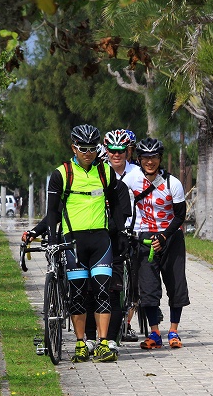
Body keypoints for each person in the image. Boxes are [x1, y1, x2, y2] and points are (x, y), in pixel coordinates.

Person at [45, 124, 131, 363]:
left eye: (93, 148)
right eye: (83, 148)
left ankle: (103, 343)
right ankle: (82, 343)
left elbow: (115, 204)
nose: (88, 153)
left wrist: (121, 233)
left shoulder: (105, 172)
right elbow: (52, 211)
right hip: (73, 241)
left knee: (103, 291)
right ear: (73, 147)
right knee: (78, 295)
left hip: (101, 240)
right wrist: (52, 238)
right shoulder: (61, 174)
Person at [121, 137, 189, 350]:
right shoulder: (131, 179)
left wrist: (164, 236)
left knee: (176, 285)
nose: (150, 162)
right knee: (148, 289)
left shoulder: (173, 183)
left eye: (154, 158)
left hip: (171, 238)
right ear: (139, 159)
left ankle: (174, 332)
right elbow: (119, 201)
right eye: (146, 158)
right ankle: (155, 333)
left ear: (160, 159)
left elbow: (180, 215)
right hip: (145, 238)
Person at [84, 129, 142, 350]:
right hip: (91, 239)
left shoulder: (128, 180)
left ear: (126, 151)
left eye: (121, 151)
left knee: (114, 291)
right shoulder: (94, 177)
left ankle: (110, 339)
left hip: (117, 240)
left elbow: (128, 213)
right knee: (89, 290)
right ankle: (89, 339)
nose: (116, 155)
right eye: (111, 151)